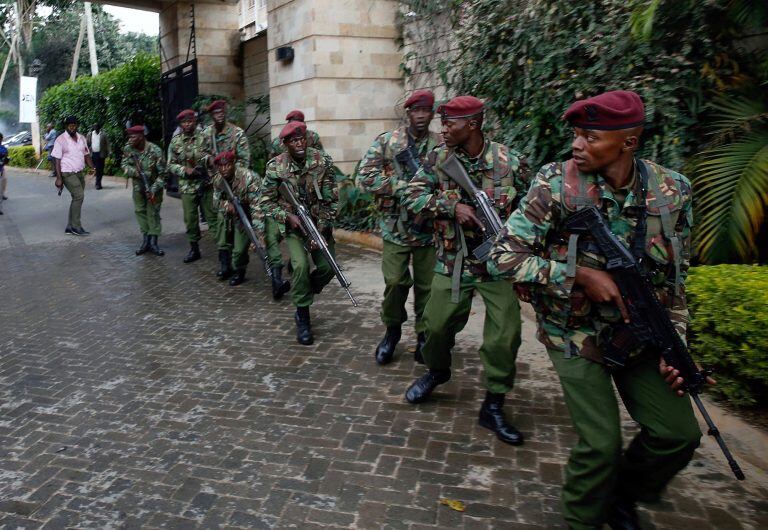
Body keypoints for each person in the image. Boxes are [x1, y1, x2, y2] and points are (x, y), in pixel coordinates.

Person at [488, 90, 705, 530]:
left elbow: (675, 281)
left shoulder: (672, 191)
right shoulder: (556, 184)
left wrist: (674, 344)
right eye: (576, 135)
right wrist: (578, 277)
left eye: (590, 137)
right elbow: (501, 256)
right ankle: (583, 518)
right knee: (601, 444)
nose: (577, 145)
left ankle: (624, 495)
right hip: (573, 332)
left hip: (639, 332)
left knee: (679, 435)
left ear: (629, 142)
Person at [401, 95, 529, 447]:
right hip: (453, 259)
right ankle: (437, 371)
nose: (442, 129)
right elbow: (411, 195)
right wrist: (450, 205)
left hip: (497, 265)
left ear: (472, 124)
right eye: (442, 123)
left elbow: (533, 211)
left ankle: (494, 403)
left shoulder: (509, 162)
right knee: (436, 326)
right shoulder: (438, 159)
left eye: (450, 124)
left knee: (506, 335)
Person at [357, 90, 441, 365]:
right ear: (408, 113)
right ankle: (392, 331)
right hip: (396, 228)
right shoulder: (389, 142)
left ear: (431, 114)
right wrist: (403, 188)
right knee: (395, 282)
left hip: (429, 230)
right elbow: (365, 176)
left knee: (428, 288)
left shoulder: (441, 145)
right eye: (416, 111)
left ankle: (423, 336)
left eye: (425, 111)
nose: (420, 116)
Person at [255, 121, 338, 345]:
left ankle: (304, 289)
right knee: (300, 265)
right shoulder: (276, 167)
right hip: (294, 227)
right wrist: (286, 216)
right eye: (293, 141)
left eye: (302, 139)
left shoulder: (322, 161)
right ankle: (302, 314)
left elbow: (331, 199)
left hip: (319, 224)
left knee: (329, 268)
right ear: (285, 144)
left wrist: (321, 229)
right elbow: (265, 201)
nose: (299, 143)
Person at [200, 99, 252, 279]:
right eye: (216, 113)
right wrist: (209, 161)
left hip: (236, 185)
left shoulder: (237, 134)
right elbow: (200, 155)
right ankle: (225, 265)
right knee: (222, 227)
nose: (219, 116)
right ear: (212, 116)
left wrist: (233, 174)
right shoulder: (207, 134)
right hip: (218, 185)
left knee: (239, 226)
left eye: (222, 113)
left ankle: (240, 269)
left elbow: (245, 161)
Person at [167, 109, 219, 264]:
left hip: (206, 184)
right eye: (184, 122)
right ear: (181, 124)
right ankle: (194, 249)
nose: (187, 124)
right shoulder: (176, 141)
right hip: (187, 187)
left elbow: (214, 157)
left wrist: (209, 163)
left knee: (212, 217)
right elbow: (170, 164)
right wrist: (185, 170)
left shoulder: (205, 137)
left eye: (190, 121)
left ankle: (223, 251)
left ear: (195, 122)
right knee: (190, 219)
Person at [212, 150, 261, 286]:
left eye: (227, 165)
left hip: (248, 214)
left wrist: (258, 233)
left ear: (234, 164)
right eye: (220, 166)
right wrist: (227, 205)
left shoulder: (249, 177)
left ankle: (240, 271)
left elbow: (258, 207)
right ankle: (225, 266)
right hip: (231, 214)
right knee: (221, 231)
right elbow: (215, 202)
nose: (224, 169)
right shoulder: (218, 179)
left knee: (239, 251)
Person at [121, 125, 167, 256]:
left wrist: (152, 189)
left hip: (154, 187)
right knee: (140, 211)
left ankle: (154, 242)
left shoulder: (155, 150)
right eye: (129, 137)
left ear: (141, 137)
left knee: (153, 213)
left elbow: (164, 175)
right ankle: (145, 240)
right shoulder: (128, 148)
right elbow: (124, 164)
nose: (130, 139)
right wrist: (136, 172)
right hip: (138, 187)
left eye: (133, 137)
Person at [52, 116, 95, 236]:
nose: (72, 127)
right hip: (67, 173)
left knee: (76, 198)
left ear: (77, 125)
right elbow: (57, 160)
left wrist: (93, 167)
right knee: (79, 196)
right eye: (70, 125)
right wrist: (59, 178)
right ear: (66, 126)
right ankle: (76, 226)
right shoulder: (60, 140)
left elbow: (86, 154)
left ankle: (70, 227)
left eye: (74, 125)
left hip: (79, 172)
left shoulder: (81, 138)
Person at [87, 122, 110, 189]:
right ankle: (97, 181)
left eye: (97, 126)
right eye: (94, 126)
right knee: (96, 168)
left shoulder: (103, 134)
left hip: (101, 154)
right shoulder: (90, 134)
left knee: (100, 169)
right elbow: (87, 143)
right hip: (93, 154)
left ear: (99, 127)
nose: (95, 128)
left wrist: (109, 152)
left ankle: (98, 183)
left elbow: (107, 143)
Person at [0, 134, 8, 215]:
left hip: (1, 169)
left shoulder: (2, 148)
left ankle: (2, 194)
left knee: (3, 182)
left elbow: (5, 154)